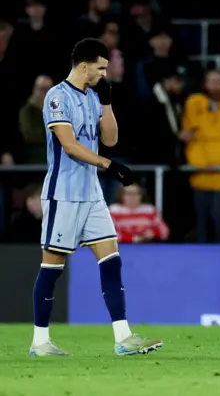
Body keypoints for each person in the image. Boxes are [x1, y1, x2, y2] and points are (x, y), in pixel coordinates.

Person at [32, 38, 162, 357]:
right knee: (52, 267)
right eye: (101, 68)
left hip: (91, 194)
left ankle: (123, 337)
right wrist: (109, 165)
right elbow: (70, 145)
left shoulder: (92, 97)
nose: (105, 73)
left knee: (111, 260)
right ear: (84, 65)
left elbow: (110, 139)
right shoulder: (57, 97)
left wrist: (106, 104)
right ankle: (40, 341)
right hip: (63, 194)